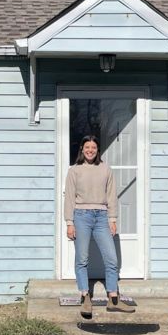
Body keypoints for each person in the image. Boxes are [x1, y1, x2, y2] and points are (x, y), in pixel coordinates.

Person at [64, 134, 135, 319]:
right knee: (82, 258)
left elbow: (111, 195)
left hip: (102, 217)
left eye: (93, 148)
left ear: (98, 150)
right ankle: (85, 297)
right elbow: (69, 197)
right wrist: (69, 223)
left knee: (111, 259)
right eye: (87, 147)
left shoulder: (105, 169)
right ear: (82, 149)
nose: (90, 150)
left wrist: (113, 219)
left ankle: (113, 299)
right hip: (81, 216)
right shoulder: (74, 171)